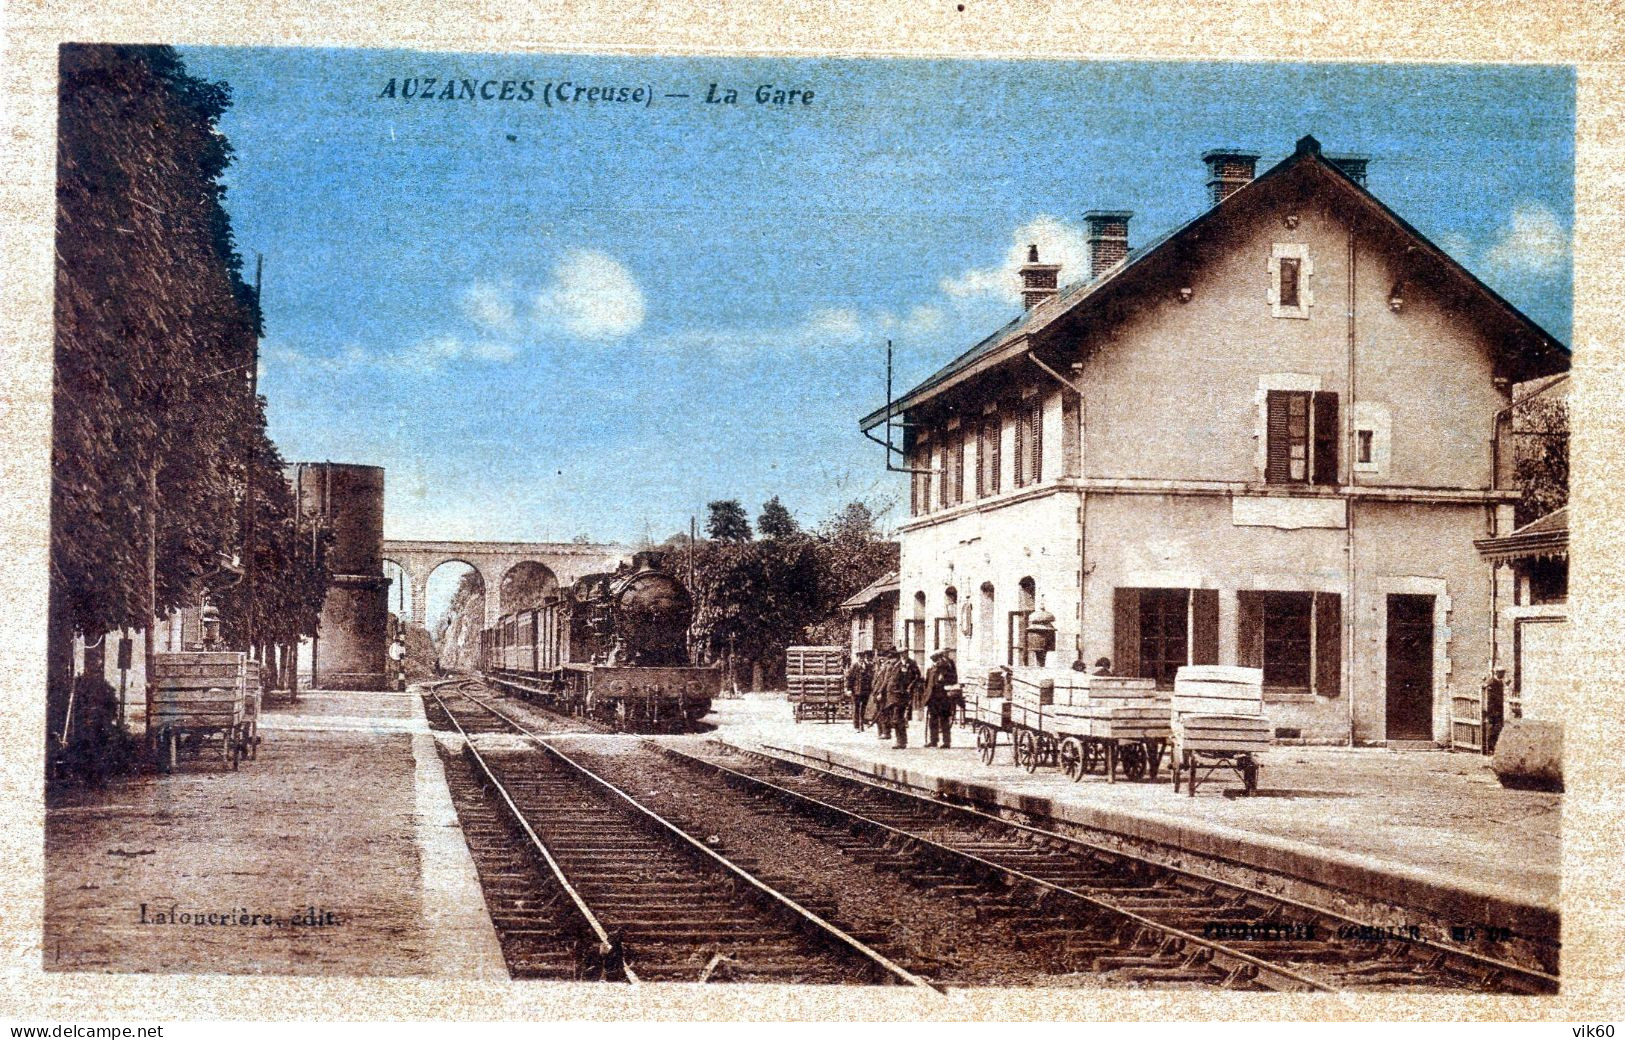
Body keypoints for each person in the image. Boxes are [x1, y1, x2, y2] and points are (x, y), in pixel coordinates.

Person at [871, 647, 910, 748]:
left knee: (897, 719)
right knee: (895, 719)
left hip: (898, 696)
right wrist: (881, 692)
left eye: (891, 658)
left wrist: (903, 690)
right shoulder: (894, 666)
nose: (889, 660)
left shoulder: (901, 667)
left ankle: (901, 742)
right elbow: (887, 681)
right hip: (891, 697)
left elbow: (906, 681)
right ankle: (901, 741)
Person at [924, 649, 960, 748]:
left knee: (944, 719)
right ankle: (933, 740)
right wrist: (926, 697)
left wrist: (944, 679)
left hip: (944, 697)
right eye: (935, 660)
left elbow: (953, 680)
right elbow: (927, 684)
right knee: (933, 720)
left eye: (939, 659)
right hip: (933, 698)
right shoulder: (931, 669)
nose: (937, 662)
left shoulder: (948, 669)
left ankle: (946, 742)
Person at [846, 649, 874, 731]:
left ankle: (862, 724)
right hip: (856, 691)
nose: (861, 658)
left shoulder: (868, 666)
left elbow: (871, 678)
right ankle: (856, 726)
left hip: (865, 691)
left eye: (862, 656)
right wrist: (849, 689)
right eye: (859, 657)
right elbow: (849, 678)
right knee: (856, 708)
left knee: (864, 708)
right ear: (857, 657)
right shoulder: (854, 666)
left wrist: (871, 688)